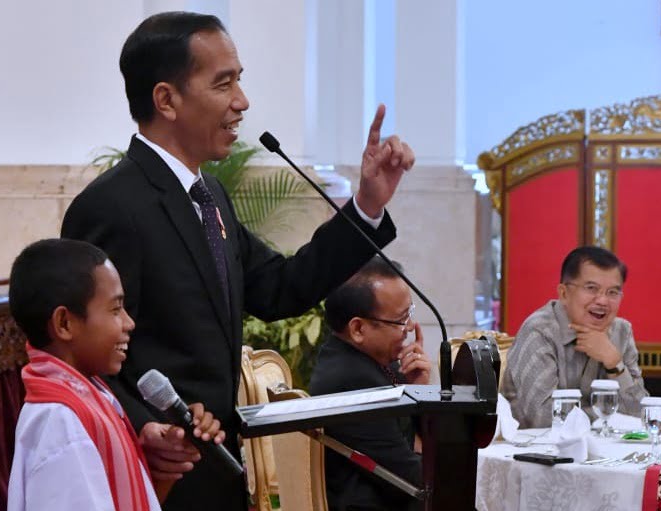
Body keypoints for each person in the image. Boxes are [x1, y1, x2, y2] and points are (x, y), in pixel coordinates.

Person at [60, 11, 414, 510]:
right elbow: (83, 356)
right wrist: (145, 425)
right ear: (167, 99)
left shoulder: (209, 195)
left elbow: (279, 288)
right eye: (223, 84)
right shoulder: (112, 206)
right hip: (159, 473)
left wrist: (367, 206)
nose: (242, 102)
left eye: (239, 81)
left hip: (220, 471)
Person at [6, 239, 224, 510]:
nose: (129, 323)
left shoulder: (92, 395)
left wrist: (166, 469)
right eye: (115, 309)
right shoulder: (60, 421)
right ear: (64, 323)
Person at [309, 256, 430, 511]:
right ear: (358, 329)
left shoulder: (363, 360)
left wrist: (419, 388)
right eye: (400, 320)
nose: (409, 328)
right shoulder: (352, 381)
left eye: (410, 314)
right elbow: (411, 479)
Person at [501, 245, 649, 428]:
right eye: (591, 288)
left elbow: (640, 413)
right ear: (564, 293)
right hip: (536, 450)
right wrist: (608, 414)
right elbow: (544, 418)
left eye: (612, 292)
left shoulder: (621, 331)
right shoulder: (539, 331)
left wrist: (614, 363)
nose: (602, 301)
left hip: (603, 449)